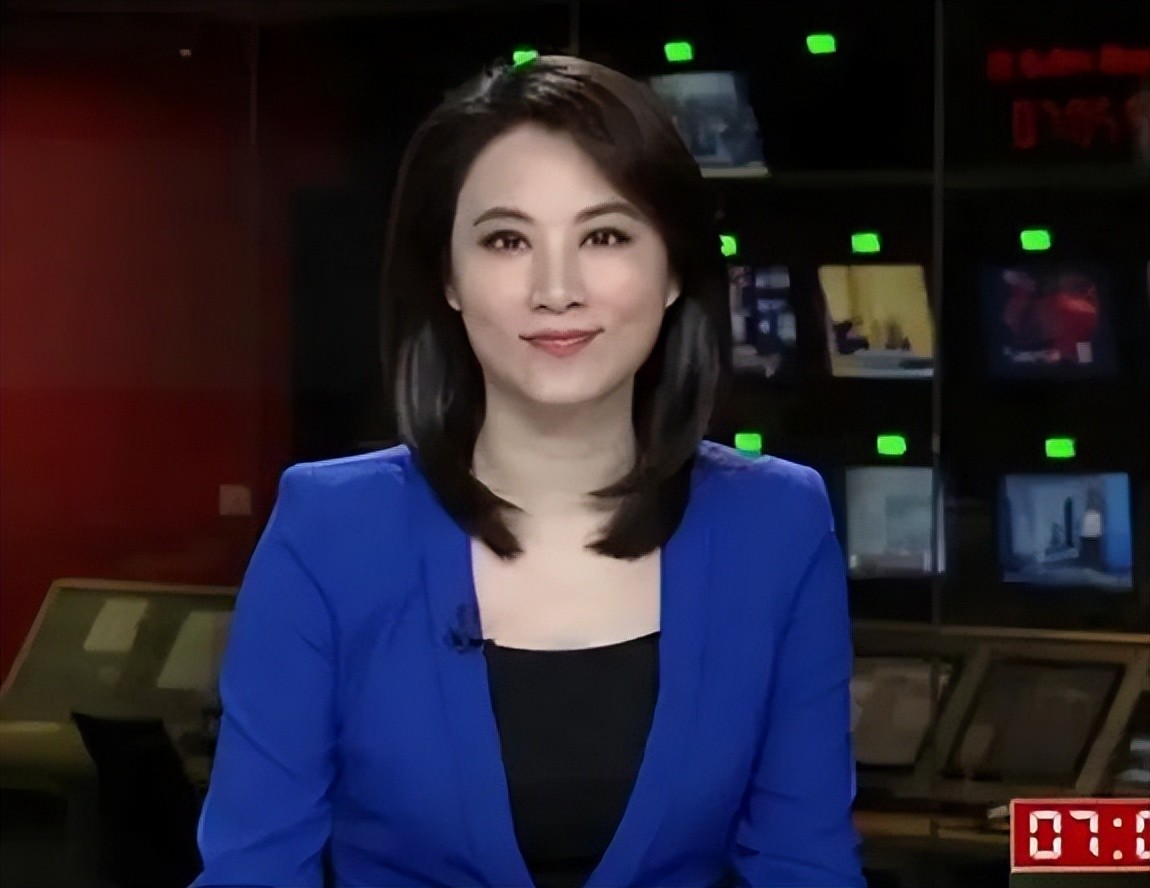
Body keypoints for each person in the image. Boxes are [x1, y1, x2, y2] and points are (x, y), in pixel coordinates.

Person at [190, 54, 865, 888]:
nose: (556, 289)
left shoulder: (777, 527)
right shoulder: (328, 533)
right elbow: (253, 872)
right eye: (507, 240)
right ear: (448, 277)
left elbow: (804, 864)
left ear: (673, 271)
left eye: (605, 236)